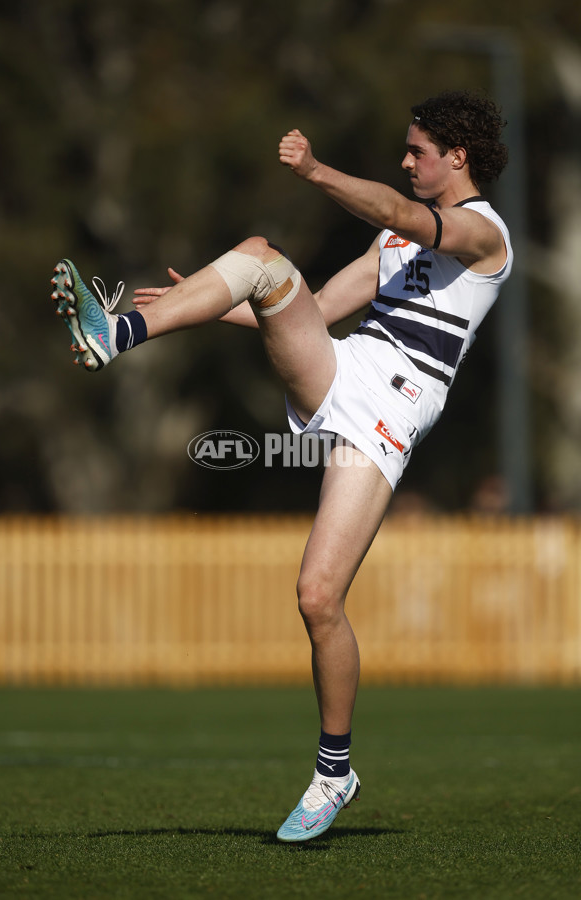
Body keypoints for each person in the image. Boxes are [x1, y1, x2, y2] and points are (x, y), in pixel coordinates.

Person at [51, 90, 512, 842]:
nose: (405, 160)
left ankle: (335, 773)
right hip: (346, 367)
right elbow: (320, 306)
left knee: (318, 598)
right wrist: (202, 299)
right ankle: (126, 330)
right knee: (259, 260)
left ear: (456, 158)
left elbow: (403, 215)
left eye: (416, 151)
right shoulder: (393, 248)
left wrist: (316, 171)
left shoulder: (485, 234)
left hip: (392, 414)